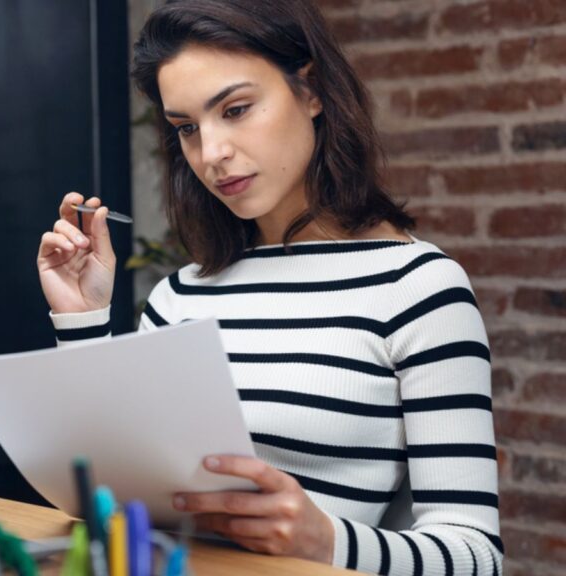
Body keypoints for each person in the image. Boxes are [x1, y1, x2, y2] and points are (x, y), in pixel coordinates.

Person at [36, 1, 502, 574]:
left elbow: (477, 556)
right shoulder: (179, 295)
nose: (212, 154)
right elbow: (107, 494)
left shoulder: (417, 288)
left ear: (311, 91)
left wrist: (324, 541)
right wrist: (83, 319)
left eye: (235, 109)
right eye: (187, 128)